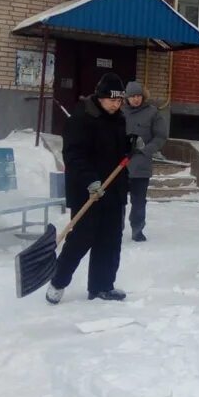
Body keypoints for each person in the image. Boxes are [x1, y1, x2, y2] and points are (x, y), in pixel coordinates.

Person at [45, 72, 130, 304]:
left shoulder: (118, 119)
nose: (116, 104)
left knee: (110, 240)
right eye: (112, 99)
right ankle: (58, 281)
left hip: (113, 189)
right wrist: (90, 180)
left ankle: (102, 286)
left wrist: (130, 144)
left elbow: (116, 150)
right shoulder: (81, 118)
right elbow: (73, 155)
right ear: (100, 97)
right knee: (82, 238)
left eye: (119, 100)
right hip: (88, 191)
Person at [122, 80, 167, 242]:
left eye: (138, 96)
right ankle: (115, 228)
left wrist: (146, 149)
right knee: (117, 201)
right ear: (126, 97)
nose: (136, 99)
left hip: (141, 164)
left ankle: (137, 229)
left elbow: (161, 136)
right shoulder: (119, 112)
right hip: (120, 165)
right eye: (132, 96)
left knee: (139, 201)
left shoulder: (152, 113)